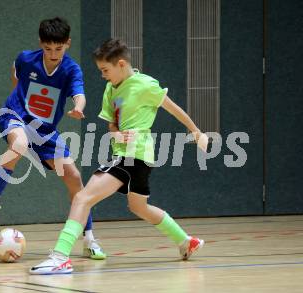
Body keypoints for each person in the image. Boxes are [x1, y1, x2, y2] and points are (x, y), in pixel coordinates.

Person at [30, 38, 208, 275]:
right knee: (139, 207)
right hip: (132, 156)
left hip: (133, 156)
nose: (103, 75)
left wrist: (196, 132)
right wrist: (117, 134)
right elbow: (112, 125)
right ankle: (186, 241)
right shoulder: (110, 89)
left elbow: (173, 108)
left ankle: (60, 257)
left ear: (121, 64)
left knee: (82, 198)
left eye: (105, 70)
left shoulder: (145, 85)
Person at [0, 17, 106, 260]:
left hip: (45, 131)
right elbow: (16, 76)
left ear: (67, 43)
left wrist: (78, 107)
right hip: (16, 116)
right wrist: (18, 101)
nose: (53, 53)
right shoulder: (26, 58)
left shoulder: (71, 70)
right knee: (18, 144)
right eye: (48, 48)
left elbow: (79, 94)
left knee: (75, 178)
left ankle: (89, 239)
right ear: (41, 44)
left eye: (59, 48)